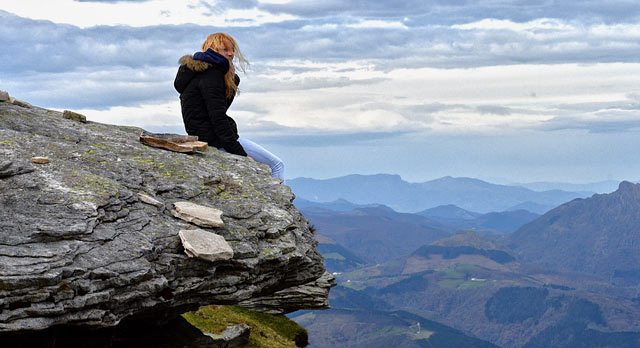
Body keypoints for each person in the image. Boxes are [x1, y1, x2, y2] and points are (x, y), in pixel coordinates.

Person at [174, 32, 284, 181]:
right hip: (215, 140)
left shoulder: (200, 74)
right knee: (276, 165)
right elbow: (218, 117)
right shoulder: (212, 76)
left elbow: (213, 112)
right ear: (212, 49)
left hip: (206, 137)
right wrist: (241, 154)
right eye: (225, 50)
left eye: (232, 50)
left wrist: (232, 80)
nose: (231, 54)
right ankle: (278, 205)